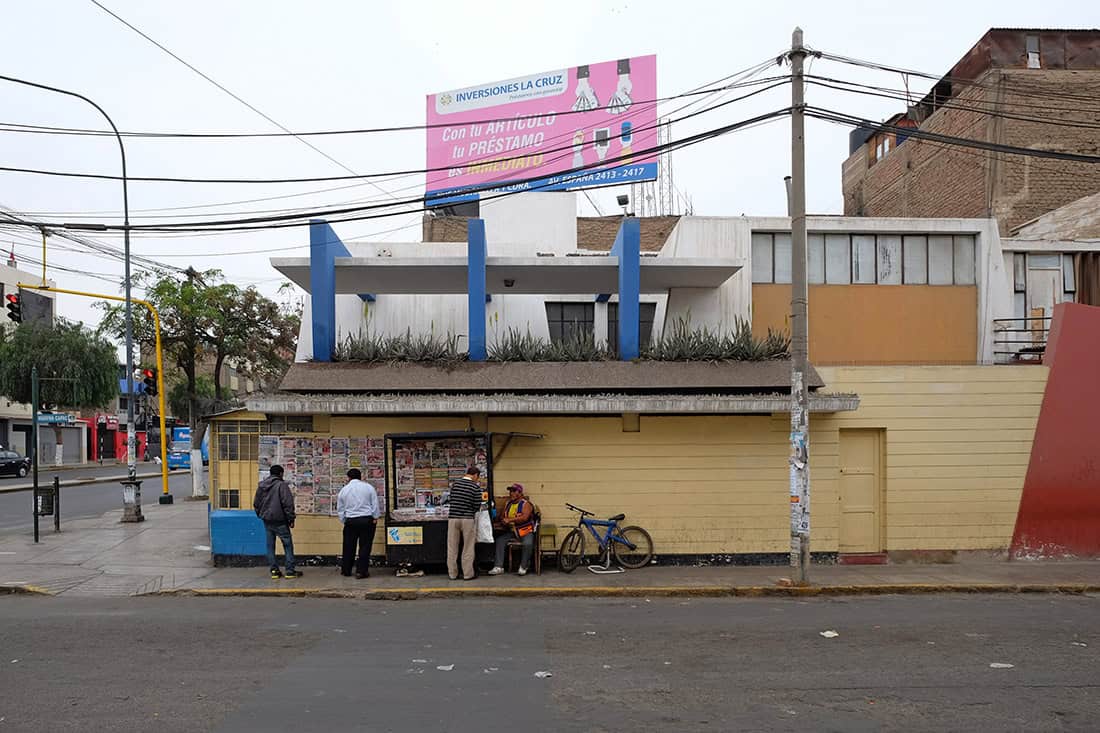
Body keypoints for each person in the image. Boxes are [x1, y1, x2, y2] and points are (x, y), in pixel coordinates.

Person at [254, 465, 300, 579]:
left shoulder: (262, 485)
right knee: (287, 545)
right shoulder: (281, 485)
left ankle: (274, 571)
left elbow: (256, 503)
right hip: (280, 520)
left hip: (267, 520)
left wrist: (261, 515)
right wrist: (291, 519)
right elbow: (287, 503)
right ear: (280, 474)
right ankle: (290, 571)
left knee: (270, 545)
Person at [337, 468, 381, 579]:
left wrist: (344, 520)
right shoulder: (368, 487)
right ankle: (361, 571)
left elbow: (340, 508)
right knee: (365, 546)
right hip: (366, 520)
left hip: (351, 521)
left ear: (348, 478)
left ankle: (346, 570)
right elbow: (374, 504)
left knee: (348, 546)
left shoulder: (344, 490)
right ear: (360, 477)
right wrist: (375, 517)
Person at [488, 483, 536, 576]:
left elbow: (524, 518)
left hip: (525, 531)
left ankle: (524, 566)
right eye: (510, 491)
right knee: (500, 541)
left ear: (520, 493)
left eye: (514, 491)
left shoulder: (526, 504)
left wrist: (510, 520)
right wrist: (503, 521)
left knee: (528, 544)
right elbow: (502, 516)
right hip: (512, 531)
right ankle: (498, 566)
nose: (511, 493)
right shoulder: (508, 503)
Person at [446, 465, 483, 581]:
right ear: (475, 475)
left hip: (453, 518)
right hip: (467, 519)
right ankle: (467, 574)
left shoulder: (455, 484)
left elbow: (451, 499)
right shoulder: (475, 487)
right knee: (468, 547)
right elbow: (477, 505)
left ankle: (452, 574)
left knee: (452, 547)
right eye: (478, 477)